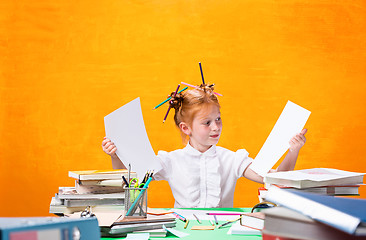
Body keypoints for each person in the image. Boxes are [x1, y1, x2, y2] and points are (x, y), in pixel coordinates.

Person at [102, 84, 307, 208]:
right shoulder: (171, 161)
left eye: (218, 119)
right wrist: (115, 155)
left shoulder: (232, 160)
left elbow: (275, 179)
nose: (215, 127)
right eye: (206, 122)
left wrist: (293, 150)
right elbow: (129, 181)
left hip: (223, 232)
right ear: (186, 128)